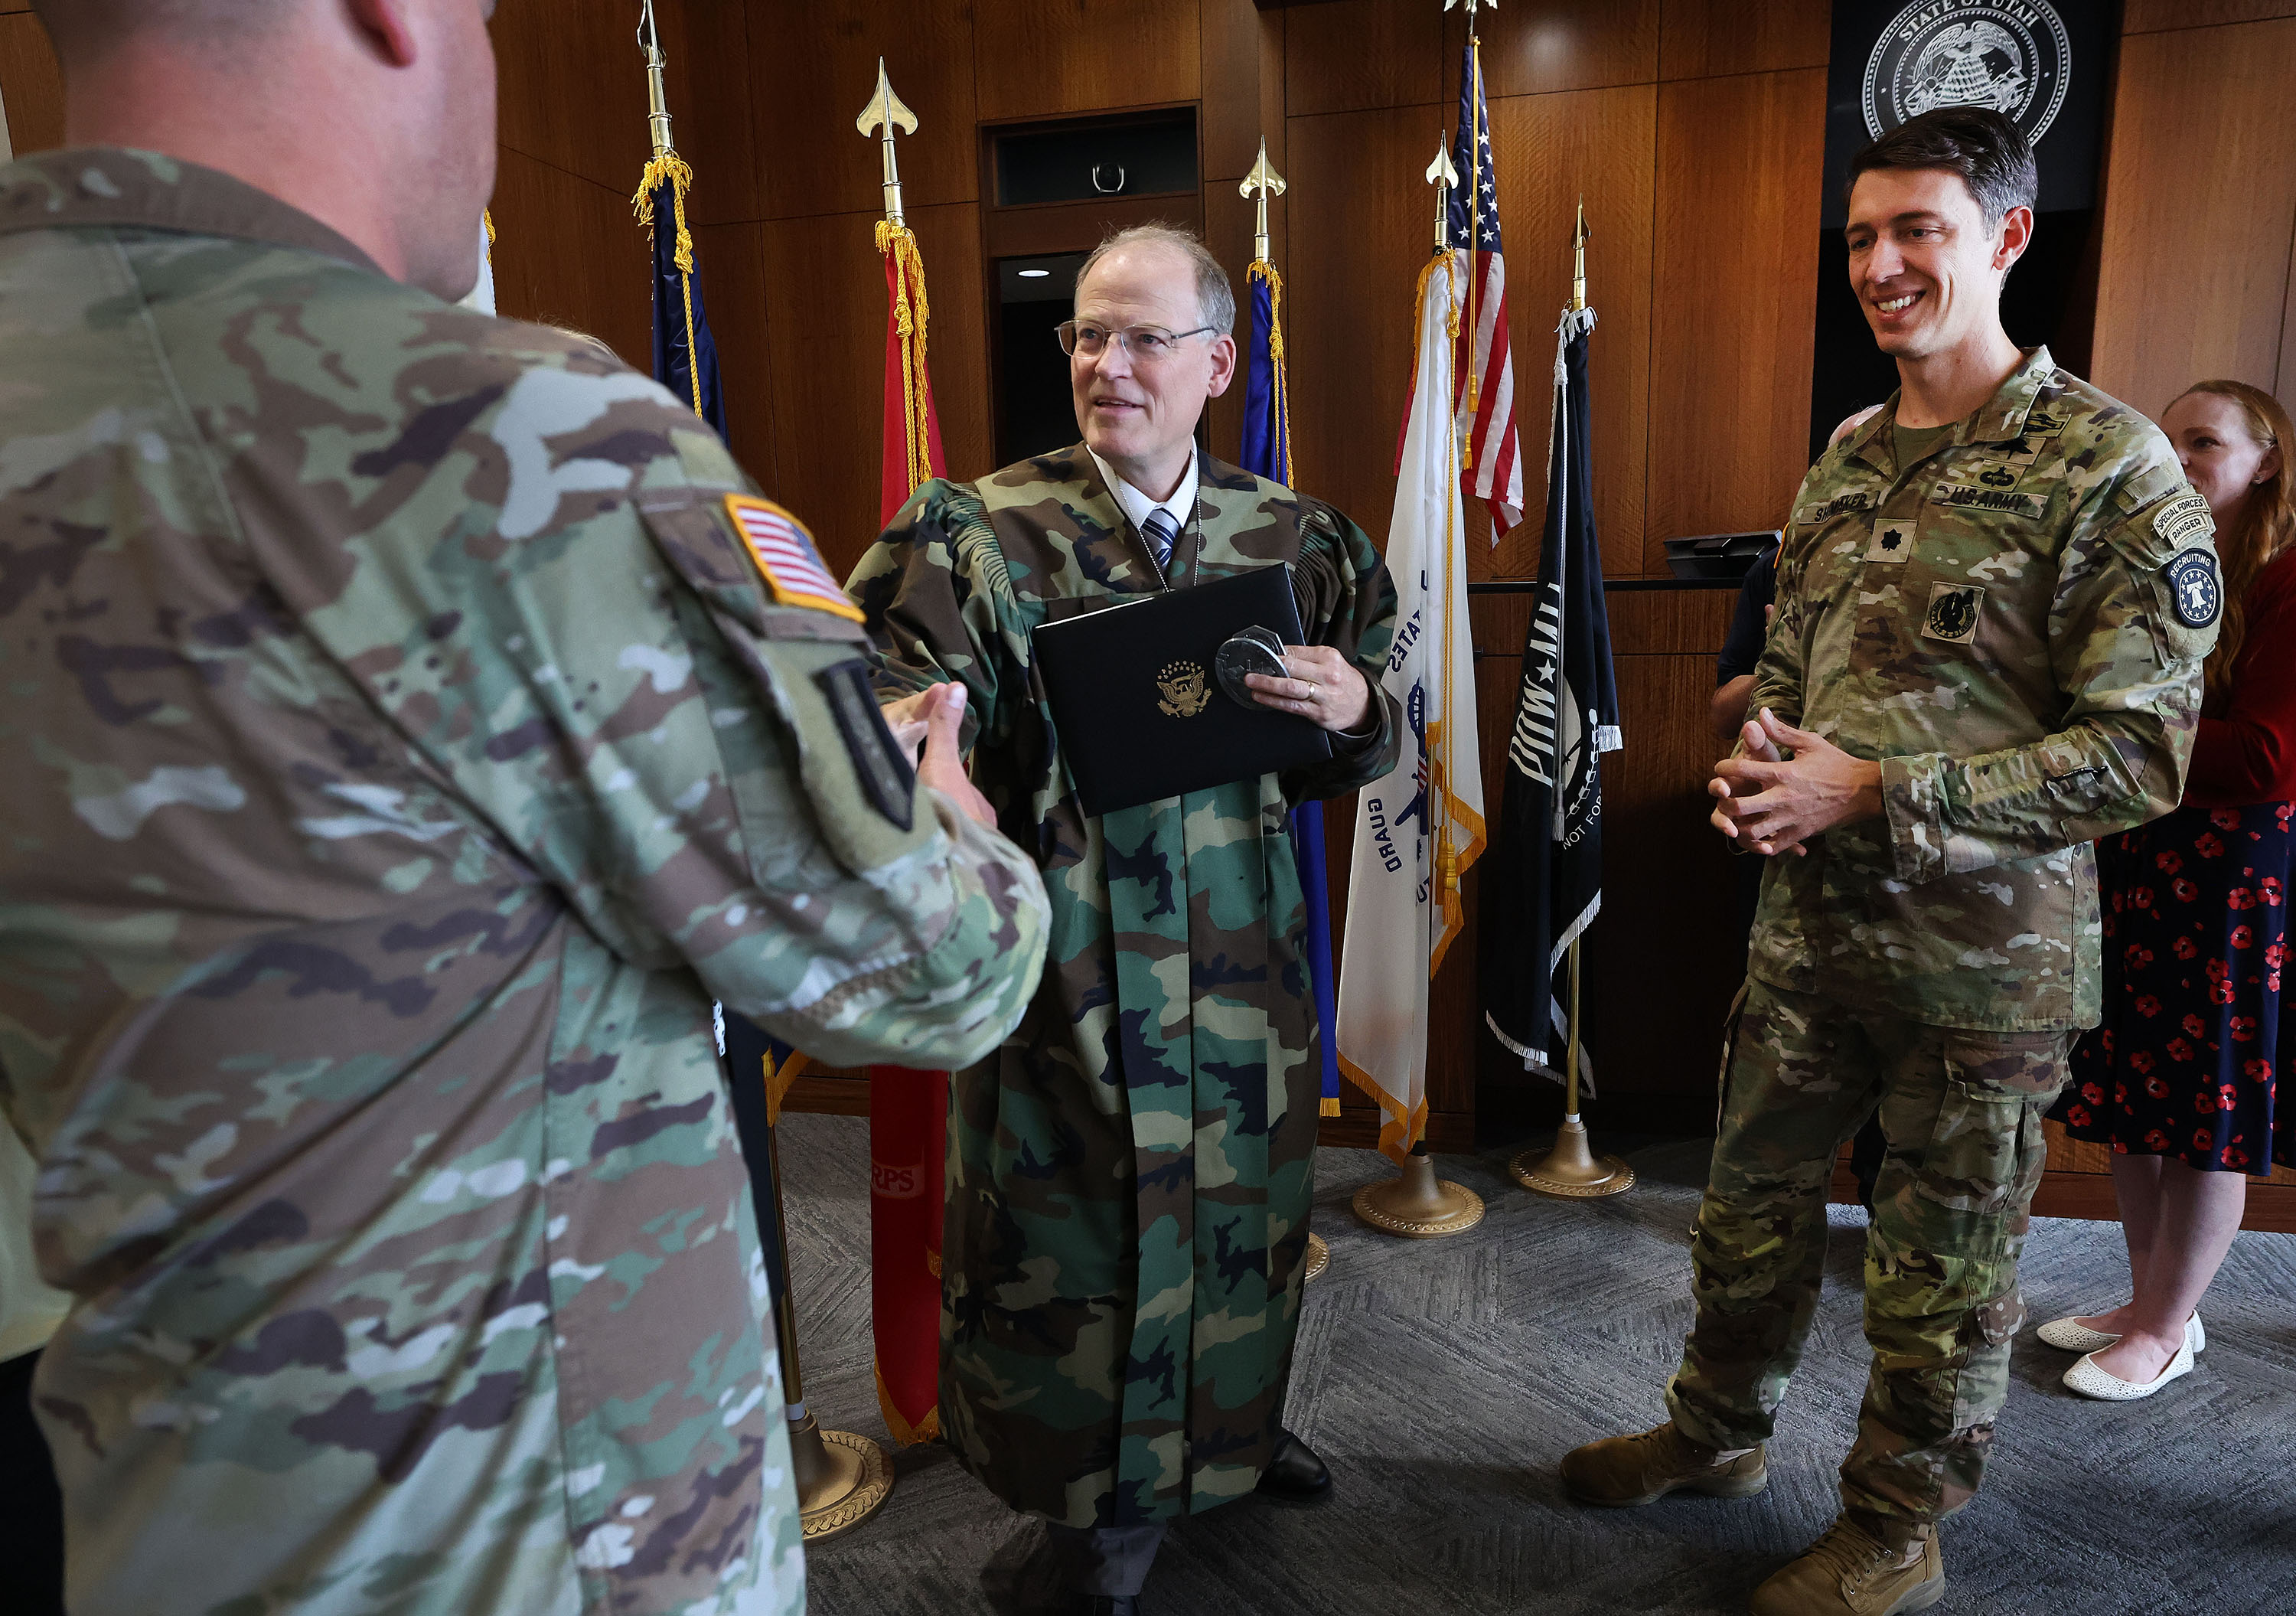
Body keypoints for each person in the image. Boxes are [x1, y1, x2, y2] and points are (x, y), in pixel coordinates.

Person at [0, 5, 1050, 1615]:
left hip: (158, 1521)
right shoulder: (507, 448)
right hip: (537, 1549)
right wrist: (952, 805)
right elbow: (936, 967)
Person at [1560, 107, 2218, 1616]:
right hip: (1808, 937)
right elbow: (1787, 675)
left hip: (1981, 972)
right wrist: (1760, 761)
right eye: (1862, 236)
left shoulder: (2108, 469)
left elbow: (2143, 755)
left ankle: (1896, 1525)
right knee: (1748, 1218)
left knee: (1939, 1265)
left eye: (1917, 228)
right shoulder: (1850, 454)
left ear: (2007, 236)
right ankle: (1716, 1435)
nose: (1881, 263)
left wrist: (1872, 791)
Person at [849, 223, 1401, 1616]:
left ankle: (1232, 1428)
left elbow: (1367, 725)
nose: (1106, 363)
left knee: (1248, 1220)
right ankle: (1093, 1518)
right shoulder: (975, 529)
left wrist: (1361, 713)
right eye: (1087, 335)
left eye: (1144, 337)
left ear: (1217, 361)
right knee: (1077, 1239)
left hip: (1244, 973)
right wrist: (916, 738)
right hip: (1068, 973)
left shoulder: (1292, 536)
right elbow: (869, 686)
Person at [2043, 380, 2295, 1398]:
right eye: (2170, 440)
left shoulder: (2288, 577)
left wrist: (2125, 742)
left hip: (2233, 890)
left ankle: (2166, 1321)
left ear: (2267, 461)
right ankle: (2156, 1307)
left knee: (2207, 1114)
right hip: (2146, 865)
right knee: (2140, 1101)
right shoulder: (2162, 567)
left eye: (2205, 442)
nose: (2179, 457)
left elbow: (2269, 757)